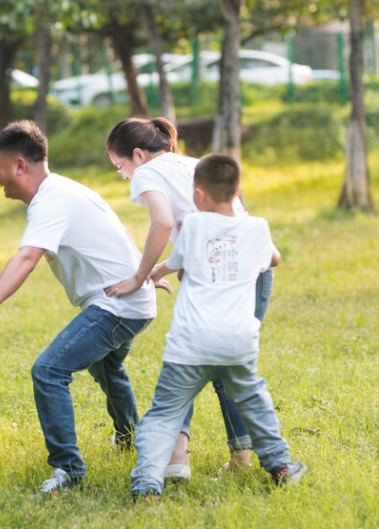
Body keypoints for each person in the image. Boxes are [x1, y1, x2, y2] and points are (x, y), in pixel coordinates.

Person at [0, 120, 157, 493]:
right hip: (131, 301)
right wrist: (145, 277)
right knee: (107, 367)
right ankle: (130, 438)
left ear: (19, 166)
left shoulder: (51, 201)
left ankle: (68, 470)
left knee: (48, 371)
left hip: (117, 306)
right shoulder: (63, 190)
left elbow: (27, 257)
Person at [104, 117, 278, 480]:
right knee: (225, 364)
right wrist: (166, 268)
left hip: (227, 280)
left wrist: (139, 275)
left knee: (197, 361)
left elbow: (163, 222)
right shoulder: (191, 163)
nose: (124, 176)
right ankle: (234, 458)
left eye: (120, 167)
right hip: (252, 275)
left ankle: (185, 457)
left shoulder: (148, 173)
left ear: (137, 155)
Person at [129, 154, 306, 500]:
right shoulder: (257, 228)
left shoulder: (192, 226)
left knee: (163, 414)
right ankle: (281, 467)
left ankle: (147, 484)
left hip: (189, 343)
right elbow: (274, 259)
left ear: (198, 195)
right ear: (238, 192)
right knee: (256, 405)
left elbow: (179, 264)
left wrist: (157, 270)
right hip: (237, 343)